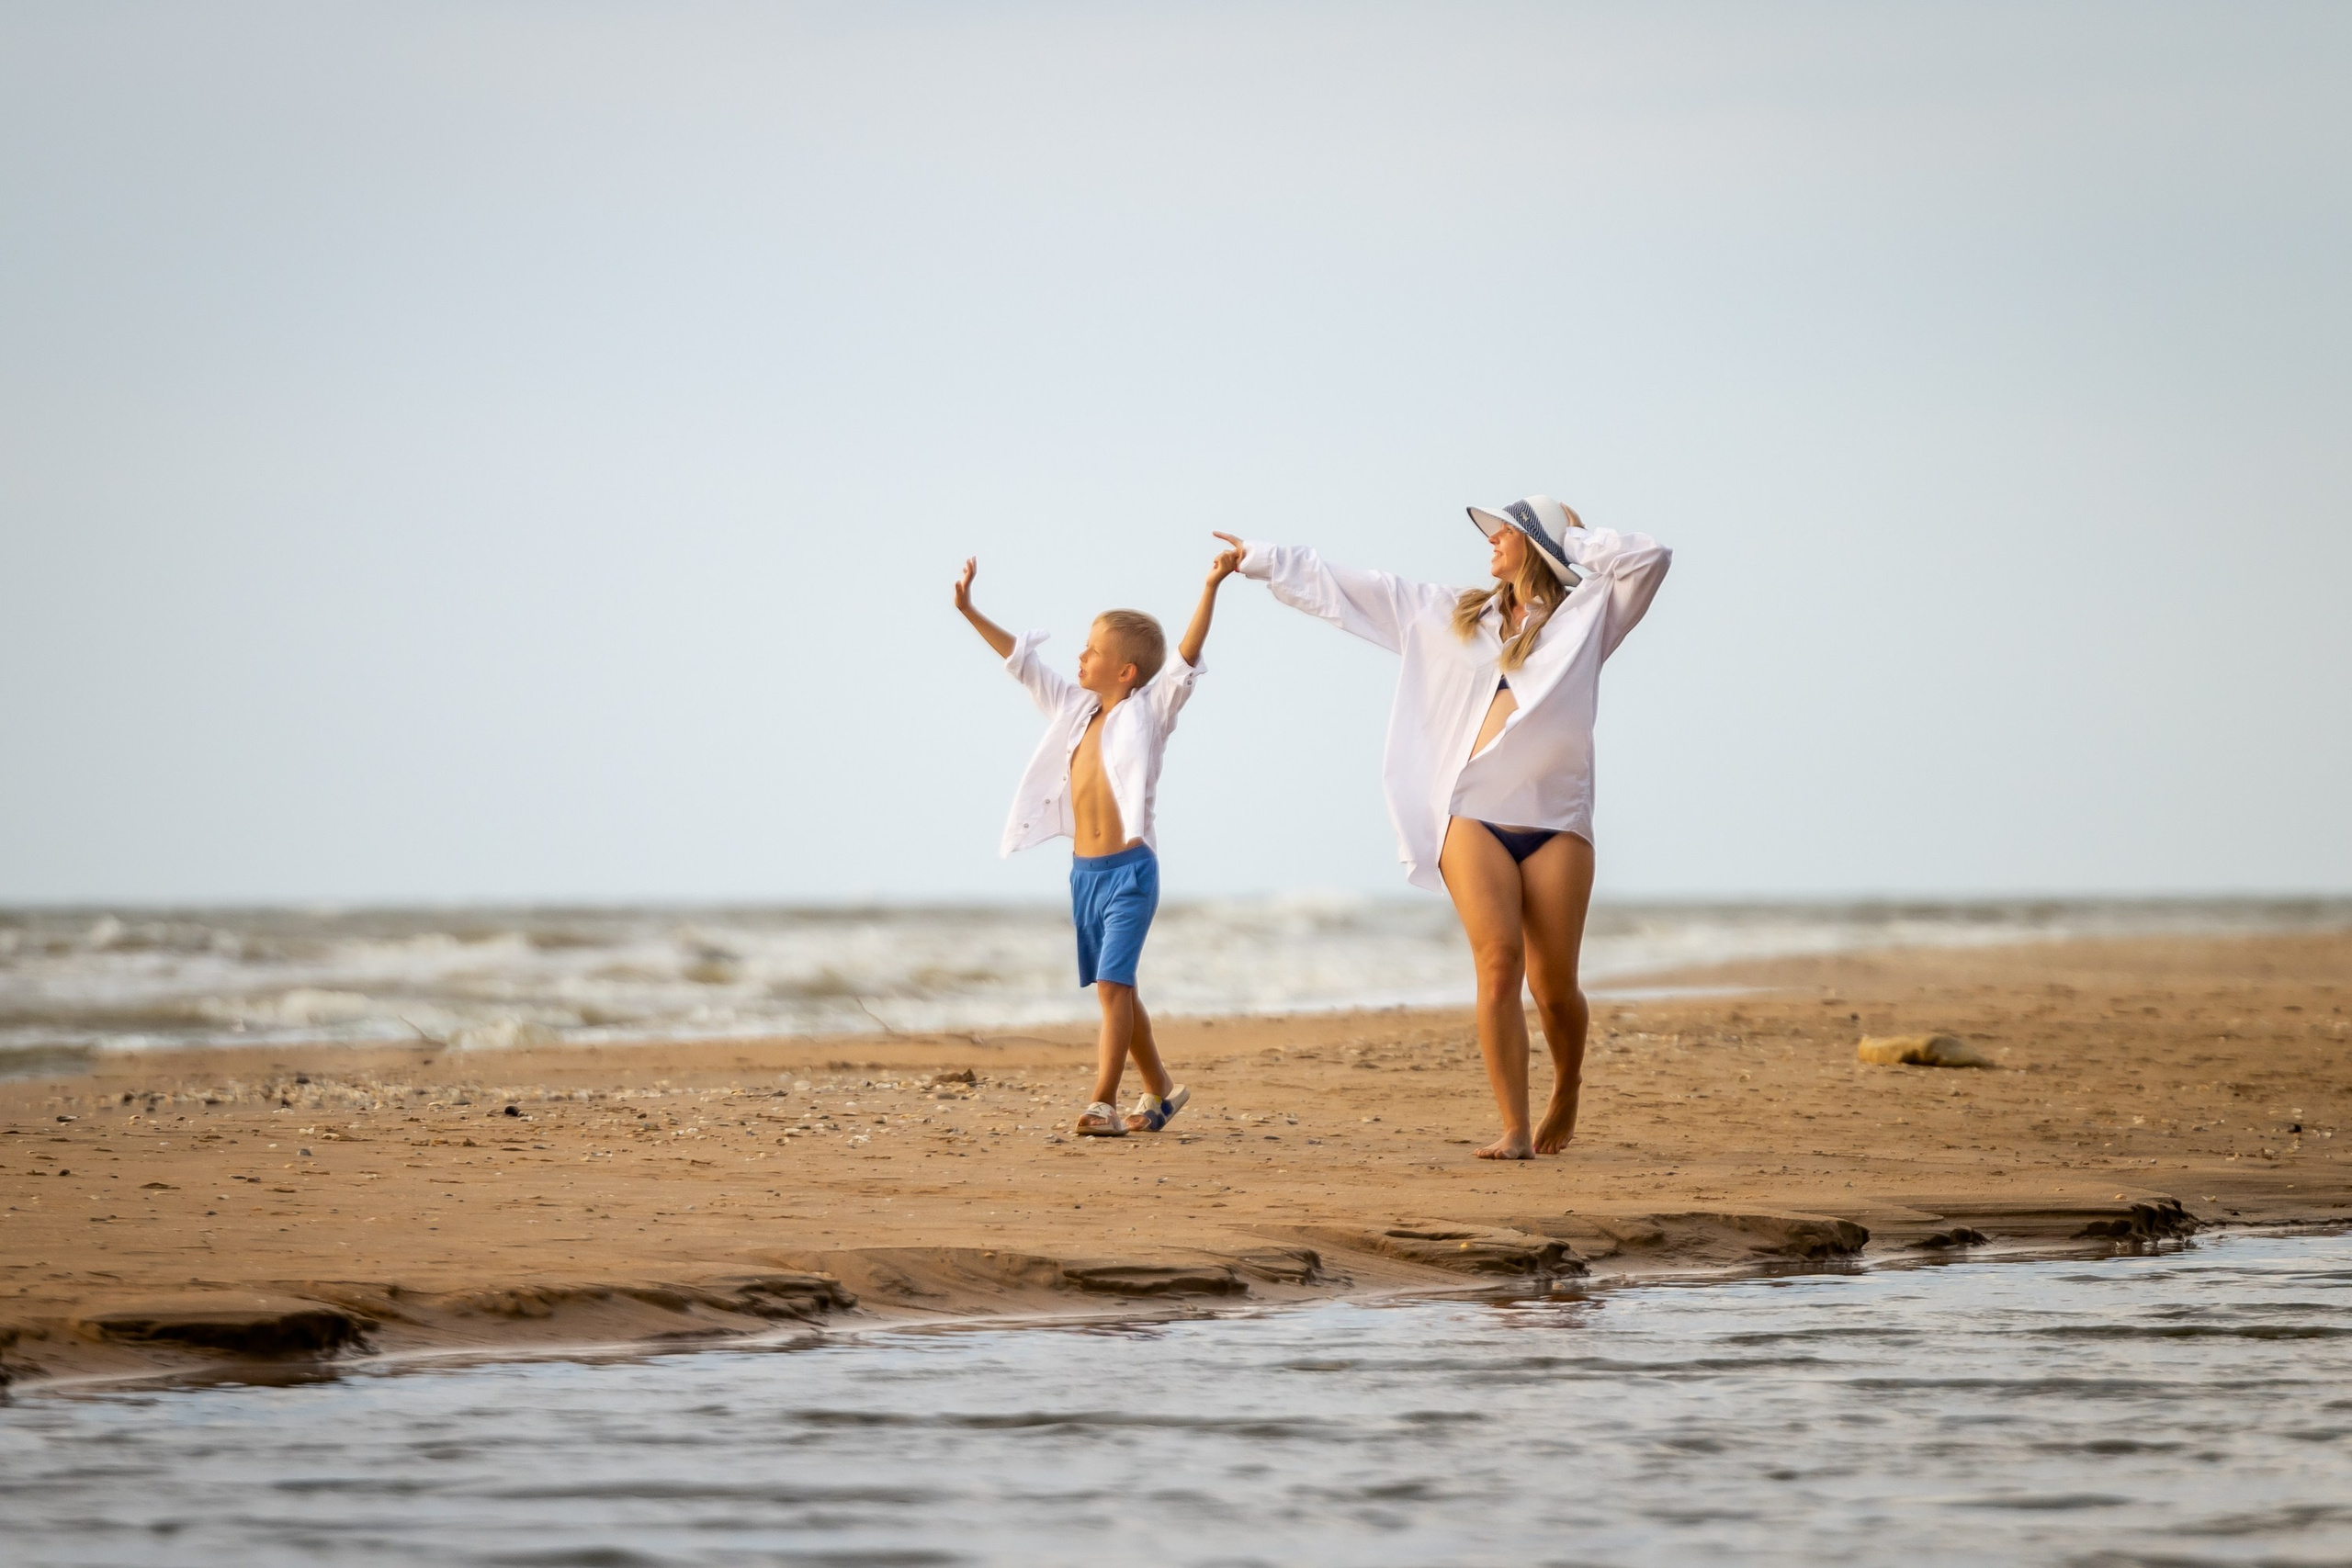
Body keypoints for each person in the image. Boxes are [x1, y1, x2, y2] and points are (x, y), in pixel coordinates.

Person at [1218, 498, 1669, 1159]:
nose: (1491, 541)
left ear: (1540, 541)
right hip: (1473, 815)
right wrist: (1259, 558)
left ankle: (1567, 1081)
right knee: (1497, 963)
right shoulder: (1451, 613)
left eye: (1507, 531)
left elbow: (1650, 558)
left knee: (1553, 987)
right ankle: (1513, 1126)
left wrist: (1569, 538)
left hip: (1556, 820)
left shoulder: (1590, 615)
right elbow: (1349, 588)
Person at [954, 542, 1241, 1136]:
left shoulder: (1149, 711)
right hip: (1084, 874)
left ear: (1126, 670)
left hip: (1132, 871)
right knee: (1119, 990)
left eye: (1093, 650)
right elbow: (1023, 662)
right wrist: (970, 612)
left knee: (1113, 985)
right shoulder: (1075, 709)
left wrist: (1211, 587)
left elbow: (1185, 657)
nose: (1079, 656)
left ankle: (1102, 1102)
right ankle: (1161, 1089)